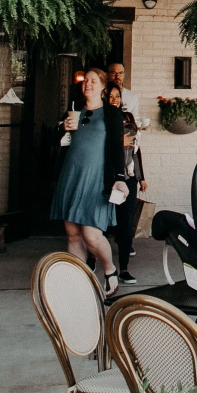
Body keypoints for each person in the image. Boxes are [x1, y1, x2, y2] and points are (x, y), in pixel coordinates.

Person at [51, 68, 120, 302]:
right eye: (85, 81)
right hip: (71, 176)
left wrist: (119, 178)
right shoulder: (74, 109)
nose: (87, 84)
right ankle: (79, 280)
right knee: (72, 233)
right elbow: (57, 140)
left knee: (91, 234)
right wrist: (63, 128)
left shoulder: (111, 113)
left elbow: (117, 149)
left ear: (103, 87)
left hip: (96, 180)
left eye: (93, 81)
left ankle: (110, 270)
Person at [105, 82, 145, 283]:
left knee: (126, 221)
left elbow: (136, 150)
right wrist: (117, 142)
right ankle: (95, 259)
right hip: (107, 176)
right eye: (110, 96)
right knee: (101, 221)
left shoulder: (127, 117)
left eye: (117, 96)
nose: (114, 100)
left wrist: (141, 177)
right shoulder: (100, 117)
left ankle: (124, 268)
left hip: (127, 177)